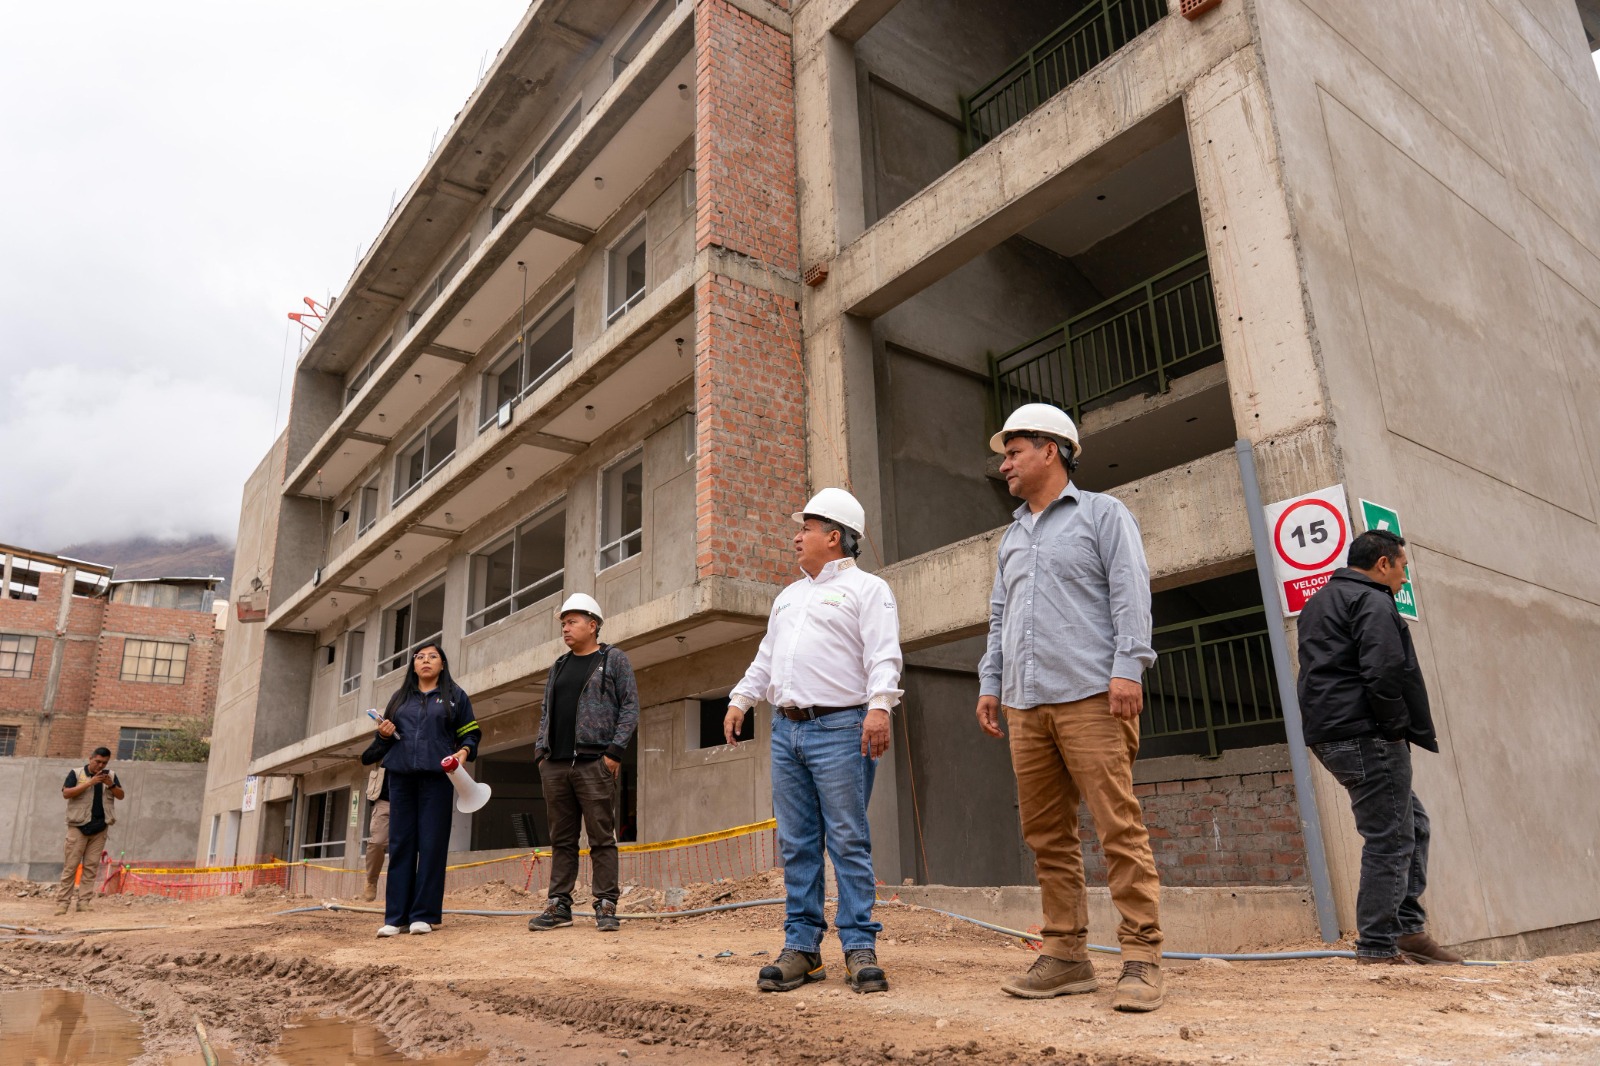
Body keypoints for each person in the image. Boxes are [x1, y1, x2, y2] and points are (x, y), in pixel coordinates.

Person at [974, 403, 1164, 1012]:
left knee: (1118, 828)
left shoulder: (1103, 515)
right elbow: (1000, 617)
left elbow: (1130, 591)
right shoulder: (1012, 536)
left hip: (1092, 696)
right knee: (1047, 837)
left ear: (1050, 450)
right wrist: (990, 682)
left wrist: (1128, 667)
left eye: (1014, 452)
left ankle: (1141, 958)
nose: (1005, 464)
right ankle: (1065, 955)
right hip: (1025, 704)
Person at [725, 488, 903, 995]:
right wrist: (741, 698)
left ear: (835, 536)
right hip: (787, 731)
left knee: (847, 839)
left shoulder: (868, 589)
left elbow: (883, 654)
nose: (796, 537)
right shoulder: (788, 597)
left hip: (842, 729)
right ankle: (802, 948)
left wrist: (879, 707)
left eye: (806, 528)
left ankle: (859, 945)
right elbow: (767, 656)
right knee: (797, 843)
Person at [1296, 529, 1461, 965]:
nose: (1405, 578)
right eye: (1403, 567)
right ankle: (1377, 944)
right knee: (1390, 837)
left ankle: (1407, 929)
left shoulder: (1319, 601)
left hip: (1331, 733)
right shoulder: (1371, 599)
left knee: (1413, 823)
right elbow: (1383, 669)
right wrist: (1393, 729)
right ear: (1383, 563)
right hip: (1365, 732)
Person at [527, 593, 639, 935]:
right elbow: (545, 712)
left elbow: (630, 707)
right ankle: (558, 905)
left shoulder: (613, 659)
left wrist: (614, 753)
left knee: (601, 837)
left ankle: (605, 904)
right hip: (555, 764)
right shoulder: (558, 666)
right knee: (562, 839)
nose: (565, 628)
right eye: (563, 623)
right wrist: (541, 754)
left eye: (572, 622)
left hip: (594, 763)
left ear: (593, 625)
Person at [364, 642, 480, 937]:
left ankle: (423, 915)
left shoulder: (455, 696)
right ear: (413, 665)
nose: (425, 660)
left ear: (442, 664)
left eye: (433, 656)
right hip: (400, 778)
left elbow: (470, 733)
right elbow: (385, 740)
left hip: (437, 779)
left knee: (431, 845)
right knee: (400, 844)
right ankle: (395, 917)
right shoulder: (400, 698)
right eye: (419, 657)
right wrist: (384, 734)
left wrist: (463, 753)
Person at [57, 747, 124, 916]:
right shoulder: (76, 773)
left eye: (104, 763)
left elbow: (121, 795)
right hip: (78, 827)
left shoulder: (111, 776)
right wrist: (90, 783)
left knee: (91, 867)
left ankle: (83, 903)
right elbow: (66, 793)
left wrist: (111, 784)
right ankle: (63, 903)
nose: (100, 766)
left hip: (100, 828)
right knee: (71, 867)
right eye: (98, 762)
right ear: (90, 758)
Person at [358, 742, 390, 903]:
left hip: (412, 801)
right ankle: (371, 881)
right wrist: (385, 739)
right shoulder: (389, 735)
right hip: (385, 801)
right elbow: (366, 758)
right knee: (377, 842)